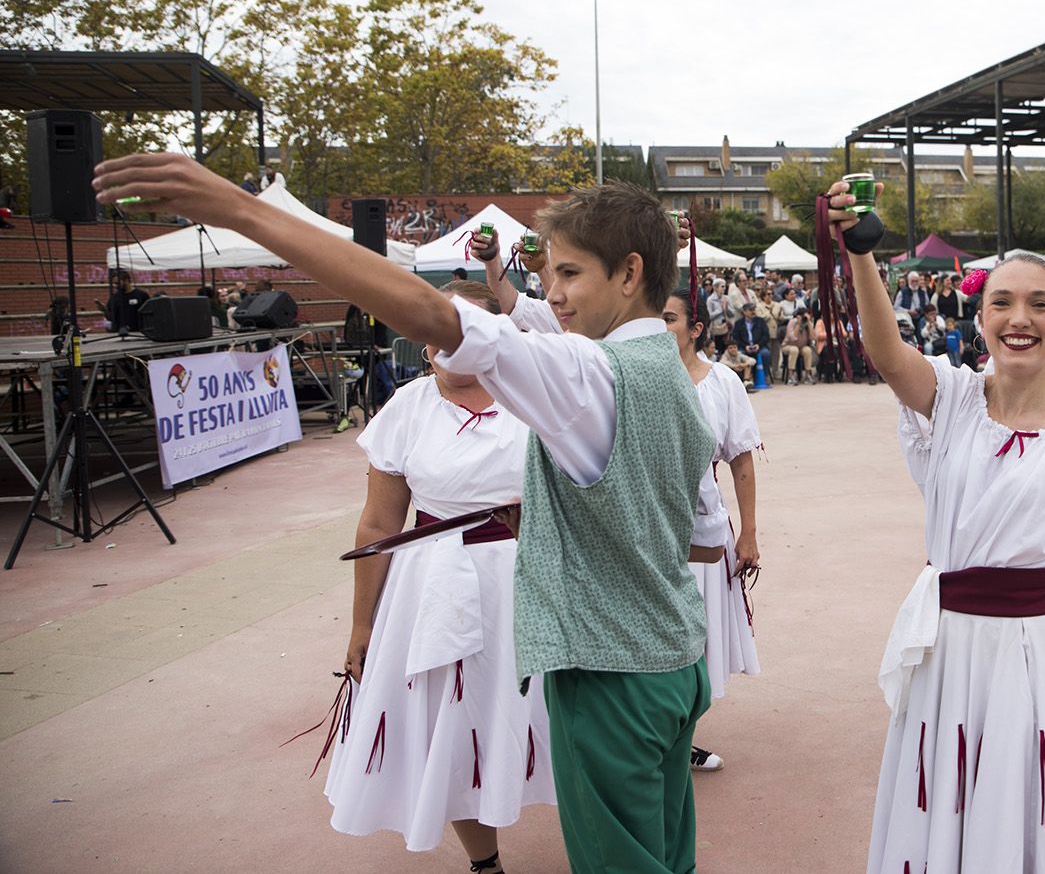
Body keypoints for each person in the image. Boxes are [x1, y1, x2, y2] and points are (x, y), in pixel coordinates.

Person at [92, 155, 714, 874]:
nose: (555, 297)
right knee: (670, 859)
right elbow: (704, 539)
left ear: (630, 274)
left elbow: (434, 315)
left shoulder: (588, 375)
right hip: (677, 660)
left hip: (612, 678)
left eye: (569, 274)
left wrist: (248, 213)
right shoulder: (674, 376)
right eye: (551, 276)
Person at [828, 184, 1045, 873]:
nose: (1020, 318)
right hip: (946, 662)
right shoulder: (949, 400)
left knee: (1036, 825)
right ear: (978, 318)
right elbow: (887, 353)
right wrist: (862, 253)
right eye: (1001, 303)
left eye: (1039, 304)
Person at [324, 279, 556, 872]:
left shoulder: (537, 401)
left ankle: (597, 844)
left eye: (463, 333)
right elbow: (378, 524)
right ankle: (486, 864)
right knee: (450, 728)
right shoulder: (406, 408)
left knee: (550, 721)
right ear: (423, 345)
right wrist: (361, 624)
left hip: (528, 583)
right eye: (436, 335)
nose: (449, 348)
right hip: (430, 591)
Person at [662, 288, 762, 772]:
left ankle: (681, 740)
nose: (660, 328)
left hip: (704, 531)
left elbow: (741, 461)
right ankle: (659, 739)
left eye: (669, 319)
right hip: (647, 528)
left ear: (696, 328)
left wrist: (749, 534)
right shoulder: (636, 377)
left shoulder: (723, 381)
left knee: (697, 642)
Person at [732, 302, 771, 382]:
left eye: (754, 309)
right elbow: (736, 338)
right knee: (740, 354)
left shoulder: (760, 321)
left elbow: (766, 336)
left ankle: (764, 376)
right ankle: (743, 379)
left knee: (765, 353)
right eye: (750, 310)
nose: (753, 312)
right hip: (744, 347)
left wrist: (758, 345)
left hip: (759, 346)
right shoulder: (738, 323)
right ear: (744, 312)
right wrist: (745, 346)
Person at [103, 268, 151, 333]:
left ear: (126, 280)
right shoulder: (114, 297)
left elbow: (150, 315)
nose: (116, 286)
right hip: (120, 334)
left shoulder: (141, 295)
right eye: (114, 284)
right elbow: (111, 318)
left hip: (139, 333)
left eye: (118, 283)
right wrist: (104, 310)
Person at [781, 309, 817, 384]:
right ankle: (791, 376)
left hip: (801, 346)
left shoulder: (807, 323)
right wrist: (798, 324)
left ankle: (808, 375)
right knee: (794, 350)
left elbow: (812, 338)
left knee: (808, 350)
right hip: (788, 345)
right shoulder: (792, 322)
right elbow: (793, 338)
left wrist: (809, 324)